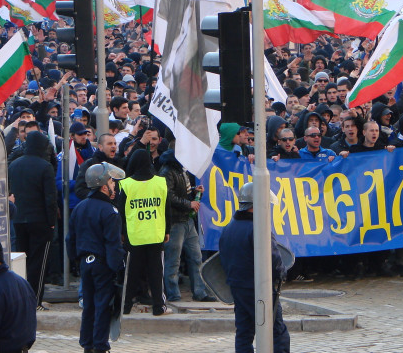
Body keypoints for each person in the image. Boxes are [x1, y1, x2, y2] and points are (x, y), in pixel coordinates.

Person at [219, 182, 290, 353]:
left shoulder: (229, 227)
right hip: (259, 288)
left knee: (244, 333)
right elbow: (273, 258)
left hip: (238, 287)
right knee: (277, 333)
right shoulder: (259, 228)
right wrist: (281, 272)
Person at [66, 163, 126, 353]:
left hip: (85, 263)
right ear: (103, 186)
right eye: (111, 182)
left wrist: (77, 261)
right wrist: (118, 268)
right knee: (102, 306)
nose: (114, 186)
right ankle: (100, 346)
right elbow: (113, 244)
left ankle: (87, 344)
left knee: (88, 305)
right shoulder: (110, 211)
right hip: (102, 265)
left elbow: (70, 239)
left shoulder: (80, 207)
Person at [118, 148, 170, 316]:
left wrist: (122, 233)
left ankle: (125, 306)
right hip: (156, 234)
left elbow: (121, 213)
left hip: (134, 235)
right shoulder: (161, 182)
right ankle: (158, 306)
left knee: (131, 274)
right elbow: (166, 209)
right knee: (156, 273)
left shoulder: (126, 184)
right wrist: (167, 230)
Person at [159, 149, 215, 303]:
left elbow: (176, 194)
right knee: (174, 260)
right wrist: (189, 202)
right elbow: (168, 196)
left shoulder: (178, 171)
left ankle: (198, 292)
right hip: (176, 221)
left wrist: (193, 195)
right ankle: (174, 294)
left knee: (195, 257)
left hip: (185, 220)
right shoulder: (168, 172)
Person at [8, 130, 57, 307]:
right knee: (39, 262)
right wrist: (51, 222)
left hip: (19, 220)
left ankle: (22, 299)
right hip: (40, 221)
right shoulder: (45, 166)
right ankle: (35, 299)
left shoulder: (14, 165)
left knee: (22, 261)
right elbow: (50, 198)